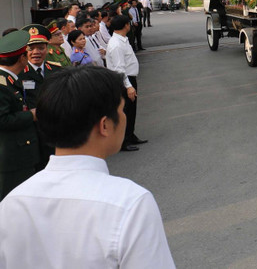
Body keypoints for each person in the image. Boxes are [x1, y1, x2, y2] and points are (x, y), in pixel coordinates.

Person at [0, 66, 176, 267]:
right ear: (104, 125)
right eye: (121, 109)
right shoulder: (130, 203)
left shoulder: (12, 203)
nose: (124, 116)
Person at [0, 30, 39, 200]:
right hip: (11, 156)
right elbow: (3, 119)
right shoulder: (2, 84)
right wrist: (32, 115)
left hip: (18, 152)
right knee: (12, 202)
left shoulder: (8, 79)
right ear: (22, 58)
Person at [105, 15, 145, 152]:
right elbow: (119, 69)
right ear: (126, 25)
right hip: (123, 81)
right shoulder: (116, 44)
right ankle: (123, 141)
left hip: (129, 78)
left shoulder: (122, 39)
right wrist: (128, 86)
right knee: (125, 111)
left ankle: (130, 134)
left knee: (131, 109)